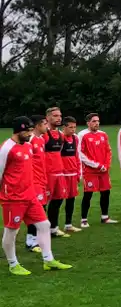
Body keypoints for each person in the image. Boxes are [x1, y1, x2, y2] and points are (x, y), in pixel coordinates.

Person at [3, 117, 72, 275]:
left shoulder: (28, 146)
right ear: (18, 131)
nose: (29, 133)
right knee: (11, 231)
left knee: (44, 225)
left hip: (30, 195)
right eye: (27, 131)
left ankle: (48, 260)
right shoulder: (7, 148)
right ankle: (13, 264)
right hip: (13, 198)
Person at [79, 113, 117, 226]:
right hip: (90, 171)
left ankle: (105, 217)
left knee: (106, 192)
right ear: (88, 123)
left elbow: (108, 151)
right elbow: (80, 154)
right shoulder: (82, 135)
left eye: (98, 121)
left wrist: (106, 165)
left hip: (103, 170)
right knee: (88, 194)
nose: (96, 123)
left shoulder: (103, 134)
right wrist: (96, 165)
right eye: (94, 121)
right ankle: (84, 219)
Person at [42, 106, 71, 238]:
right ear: (47, 118)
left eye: (59, 115)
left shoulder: (60, 135)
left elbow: (58, 153)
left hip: (59, 173)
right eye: (55, 116)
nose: (58, 118)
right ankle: (40, 231)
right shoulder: (43, 135)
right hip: (47, 174)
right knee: (43, 203)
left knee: (58, 201)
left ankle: (53, 228)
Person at [25, 115, 49, 252]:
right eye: (45, 124)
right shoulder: (31, 139)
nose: (47, 126)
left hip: (41, 180)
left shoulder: (41, 140)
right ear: (38, 126)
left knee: (41, 209)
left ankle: (36, 238)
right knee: (36, 210)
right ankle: (31, 241)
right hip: (34, 181)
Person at [57, 116, 82, 233]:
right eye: (70, 127)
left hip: (73, 174)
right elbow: (56, 156)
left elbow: (77, 156)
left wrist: (78, 173)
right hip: (63, 174)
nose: (73, 130)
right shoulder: (60, 138)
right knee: (59, 200)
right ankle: (54, 226)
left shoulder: (75, 138)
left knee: (71, 199)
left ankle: (68, 224)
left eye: (74, 127)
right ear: (64, 127)